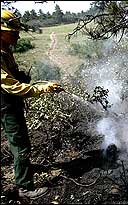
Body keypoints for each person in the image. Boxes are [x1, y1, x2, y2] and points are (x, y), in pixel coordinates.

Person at [1, 10, 64, 199]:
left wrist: (25, 78)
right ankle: (25, 187)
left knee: (19, 143)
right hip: (6, 106)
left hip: (9, 103)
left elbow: (14, 77)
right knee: (21, 145)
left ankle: (24, 170)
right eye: (13, 32)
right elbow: (13, 88)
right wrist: (43, 89)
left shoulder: (5, 49)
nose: (17, 35)